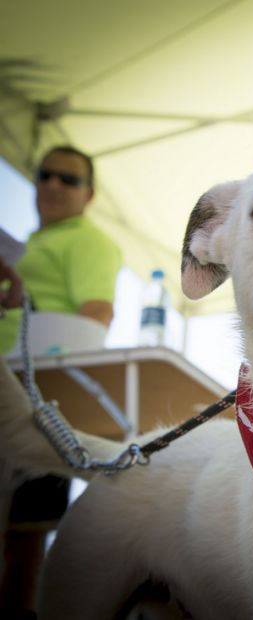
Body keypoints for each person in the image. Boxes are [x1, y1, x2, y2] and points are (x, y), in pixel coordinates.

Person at [0, 145, 122, 618]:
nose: (52, 185)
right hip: (19, 380)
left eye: (68, 179)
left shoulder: (88, 241)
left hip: (37, 389)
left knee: (26, 527)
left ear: (89, 194)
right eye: (45, 174)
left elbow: (96, 316)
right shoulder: (31, 244)